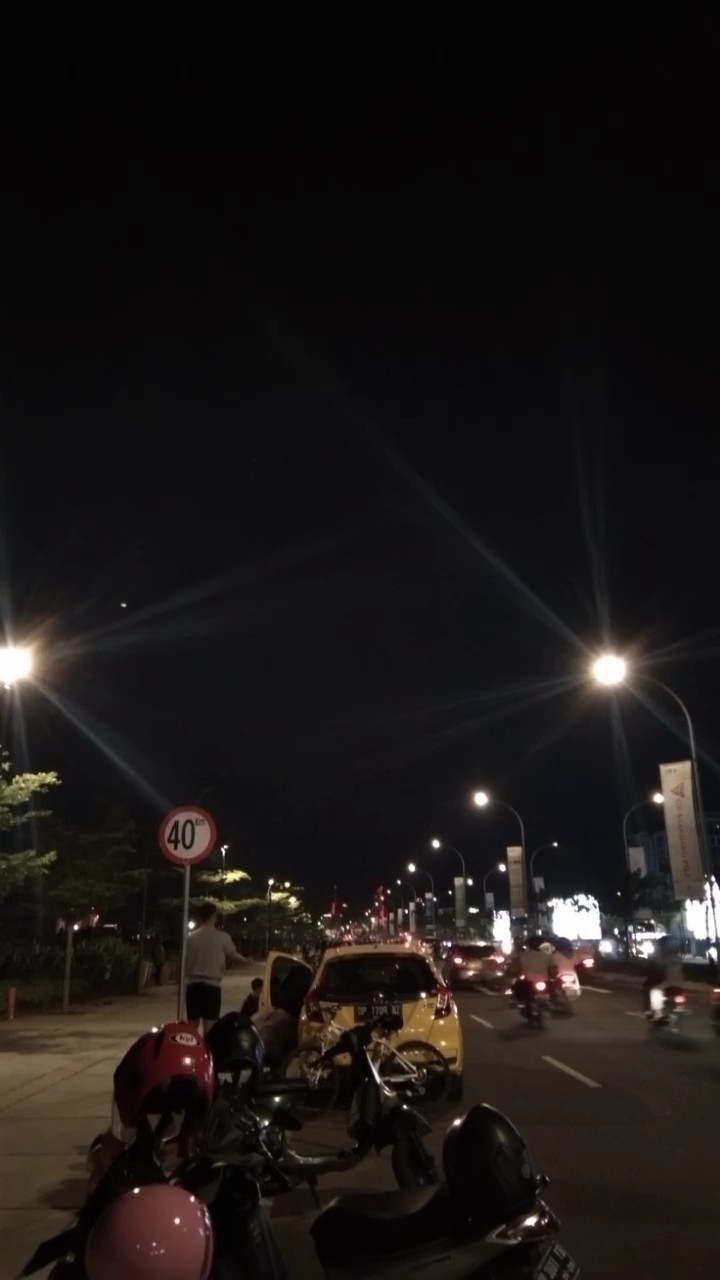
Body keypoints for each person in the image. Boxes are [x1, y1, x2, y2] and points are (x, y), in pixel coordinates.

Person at [185, 902, 251, 1031]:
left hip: (193, 986)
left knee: (192, 1025)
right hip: (212, 985)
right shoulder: (222, 937)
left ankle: (193, 1044)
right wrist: (246, 960)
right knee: (210, 1026)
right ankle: (208, 1044)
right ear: (213, 916)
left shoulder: (190, 938)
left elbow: (184, 960)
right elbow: (233, 955)